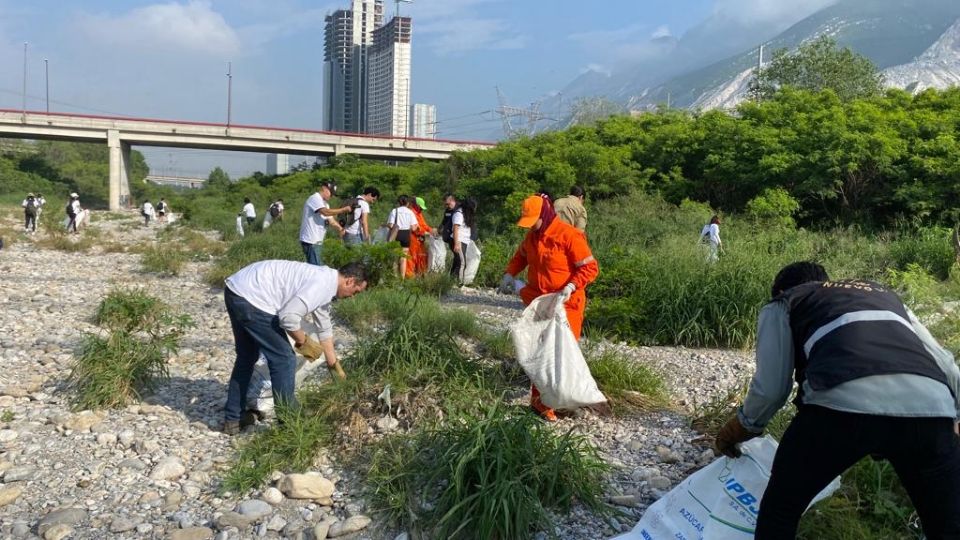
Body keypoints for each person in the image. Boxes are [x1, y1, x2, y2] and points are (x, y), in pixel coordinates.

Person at [714, 262, 960, 539]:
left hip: (839, 408)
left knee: (781, 510)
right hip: (931, 410)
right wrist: (956, 418)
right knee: (947, 528)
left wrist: (741, 428)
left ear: (779, 289)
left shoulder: (785, 301)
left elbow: (771, 389)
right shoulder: (887, 298)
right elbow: (949, 367)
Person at [222, 260, 369, 434]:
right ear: (350, 281)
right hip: (253, 299)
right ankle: (291, 422)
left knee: (247, 357)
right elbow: (288, 317)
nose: (353, 296)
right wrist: (303, 342)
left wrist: (335, 368)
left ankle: (234, 419)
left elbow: (324, 327)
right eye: (355, 292)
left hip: (236, 290)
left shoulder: (326, 280)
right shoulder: (322, 285)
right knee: (284, 359)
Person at [501, 194, 599, 421]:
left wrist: (572, 285)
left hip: (567, 305)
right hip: (539, 302)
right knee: (539, 353)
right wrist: (509, 273)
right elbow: (521, 256)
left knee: (561, 354)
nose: (531, 226)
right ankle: (541, 405)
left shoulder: (569, 235)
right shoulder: (532, 237)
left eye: (533, 220)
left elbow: (590, 268)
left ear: (544, 215)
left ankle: (565, 401)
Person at [299, 181, 352, 266]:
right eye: (330, 193)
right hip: (311, 240)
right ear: (324, 188)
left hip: (317, 241)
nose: (331, 196)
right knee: (315, 269)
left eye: (332, 194)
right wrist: (343, 210)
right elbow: (325, 212)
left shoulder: (325, 204)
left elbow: (331, 220)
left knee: (316, 267)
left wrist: (340, 228)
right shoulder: (315, 198)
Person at [387, 195, 419, 279]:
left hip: (396, 234)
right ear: (407, 203)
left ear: (398, 202)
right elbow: (414, 227)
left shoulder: (395, 211)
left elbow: (390, 225)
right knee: (403, 258)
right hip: (406, 235)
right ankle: (402, 278)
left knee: (394, 258)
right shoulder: (410, 212)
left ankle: (394, 277)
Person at [452, 198, 478, 284]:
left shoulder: (465, 214)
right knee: (462, 262)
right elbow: (455, 228)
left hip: (464, 241)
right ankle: (459, 283)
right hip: (459, 241)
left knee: (457, 262)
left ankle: (451, 282)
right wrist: (456, 243)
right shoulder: (459, 214)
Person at [406, 196, 433, 277]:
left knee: (421, 256)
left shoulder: (419, 213)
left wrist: (431, 230)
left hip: (419, 239)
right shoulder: (410, 213)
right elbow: (414, 227)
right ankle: (409, 276)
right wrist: (423, 232)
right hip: (412, 238)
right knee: (411, 257)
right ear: (416, 205)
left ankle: (421, 274)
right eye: (420, 208)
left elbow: (424, 225)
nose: (421, 209)